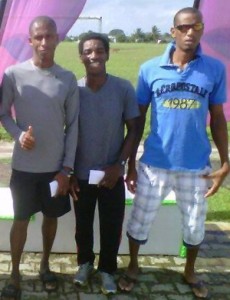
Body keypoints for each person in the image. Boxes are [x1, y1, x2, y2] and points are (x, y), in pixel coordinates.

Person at [118, 7, 229, 299]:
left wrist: (226, 162)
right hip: (155, 163)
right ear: (173, 31)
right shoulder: (150, 69)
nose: (189, 32)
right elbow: (137, 119)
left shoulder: (215, 69)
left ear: (202, 29)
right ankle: (132, 266)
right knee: (140, 220)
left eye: (195, 27)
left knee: (194, 225)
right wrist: (131, 164)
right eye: (183, 27)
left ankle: (190, 270)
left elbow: (217, 118)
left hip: (195, 165)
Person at [0, 16, 79, 299]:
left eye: (49, 36)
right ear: (30, 41)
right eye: (39, 37)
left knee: (51, 217)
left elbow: (74, 127)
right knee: (21, 219)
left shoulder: (67, 78)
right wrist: (19, 134)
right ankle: (14, 273)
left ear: (57, 38)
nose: (44, 42)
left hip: (55, 169)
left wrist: (66, 169)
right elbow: (3, 113)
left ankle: (45, 265)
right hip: (24, 167)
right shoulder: (13, 75)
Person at [69, 32, 139, 294]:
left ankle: (108, 270)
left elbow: (134, 129)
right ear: (81, 57)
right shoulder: (73, 90)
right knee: (83, 225)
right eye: (88, 51)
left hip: (111, 173)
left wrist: (119, 164)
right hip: (82, 174)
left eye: (99, 51)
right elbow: (68, 131)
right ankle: (85, 264)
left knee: (111, 225)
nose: (94, 56)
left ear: (108, 54)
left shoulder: (122, 88)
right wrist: (70, 169)